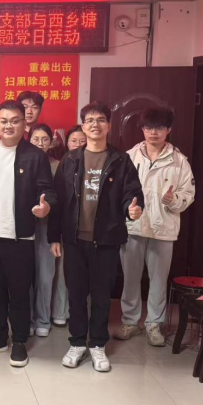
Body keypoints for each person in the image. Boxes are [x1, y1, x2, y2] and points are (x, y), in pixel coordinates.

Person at [49, 101, 144, 373]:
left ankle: (98, 344)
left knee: (102, 295)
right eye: (90, 120)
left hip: (106, 240)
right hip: (74, 240)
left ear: (109, 126)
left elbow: (132, 193)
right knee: (76, 294)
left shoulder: (120, 160)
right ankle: (78, 342)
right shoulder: (70, 160)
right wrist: (54, 236)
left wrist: (133, 208)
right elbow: (58, 200)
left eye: (101, 120)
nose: (95, 125)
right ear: (83, 125)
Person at [0, 101, 56, 368]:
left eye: (14, 120)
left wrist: (45, 207)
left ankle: (19, 341)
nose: (8, 126)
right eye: (3, 121)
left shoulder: (35, 156)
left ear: (24, 123)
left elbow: (47, 190)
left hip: (19, 237)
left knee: (18, 292)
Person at [115, 107, 195, 347]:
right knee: (130, 278)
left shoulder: (179, 161)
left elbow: (188, 194)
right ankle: (130, 322)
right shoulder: (129, 156)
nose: (153, 132)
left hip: (163, 228)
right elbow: (117, 191)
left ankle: (154, 324)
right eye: (149, 127)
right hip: (133, 227)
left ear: (168, 130)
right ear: (142, 129)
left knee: (159, 280)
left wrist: (173, 200)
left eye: (159, 128)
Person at [51, 125, 87, 328]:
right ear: (67, 143)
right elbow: (57, 200)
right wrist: (55, 235)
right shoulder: (65, 163)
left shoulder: (98, 162)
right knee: (63, 273)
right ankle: (60, 311)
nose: (78, 145)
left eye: (82, 141)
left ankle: (81, 313)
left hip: (90, 230)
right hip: (67, 227)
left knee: (86, 275)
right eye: (74, 141)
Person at [29, 124, 60, 337]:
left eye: (44, 139)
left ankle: (43, 319)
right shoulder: (21, 161)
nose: (40, 143)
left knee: (45, 275)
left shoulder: (58, 166)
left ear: (51, 142)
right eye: (36, 139)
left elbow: (61, 202)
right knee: (24, 274)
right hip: (23, 226)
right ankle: (27, 319)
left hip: (48, 226)